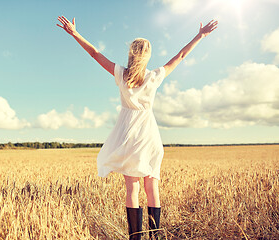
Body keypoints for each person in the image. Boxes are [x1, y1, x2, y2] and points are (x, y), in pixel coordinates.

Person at [57, 16, 218, 240]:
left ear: (131, 53)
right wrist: (200, 36)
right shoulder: (154, 77)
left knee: (131, 189)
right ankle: (155, 236)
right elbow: (180, 56)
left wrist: (75, 34)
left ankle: (135, 237)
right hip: (148, 134)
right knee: (152, 188)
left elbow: (94, 53)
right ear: (147, 55)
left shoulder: (120, 74)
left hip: (127, 134)